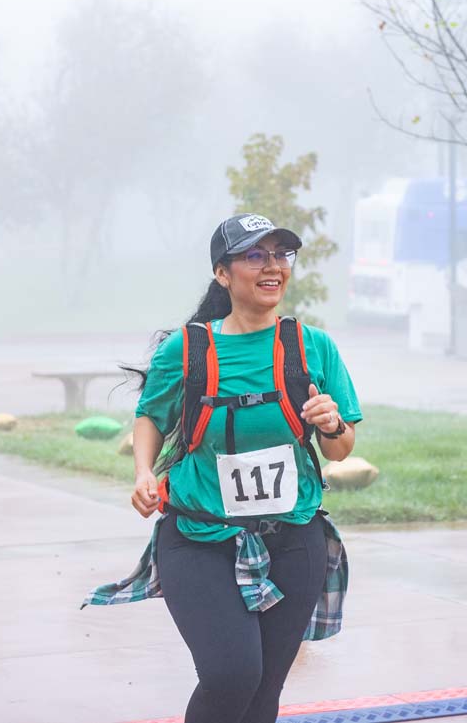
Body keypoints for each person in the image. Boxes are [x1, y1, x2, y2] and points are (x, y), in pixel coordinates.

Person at [83, 212, 361, 723]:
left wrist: (332, 423)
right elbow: (151, 415)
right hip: (199, 537)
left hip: (293, 537)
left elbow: (340, 450)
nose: (272, 266)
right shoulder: (188, 349)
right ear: (222, 273)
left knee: (264, 689)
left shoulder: (313, 347)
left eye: (280, 255)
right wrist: (143, 472)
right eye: (255, 255)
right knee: (232, 674)